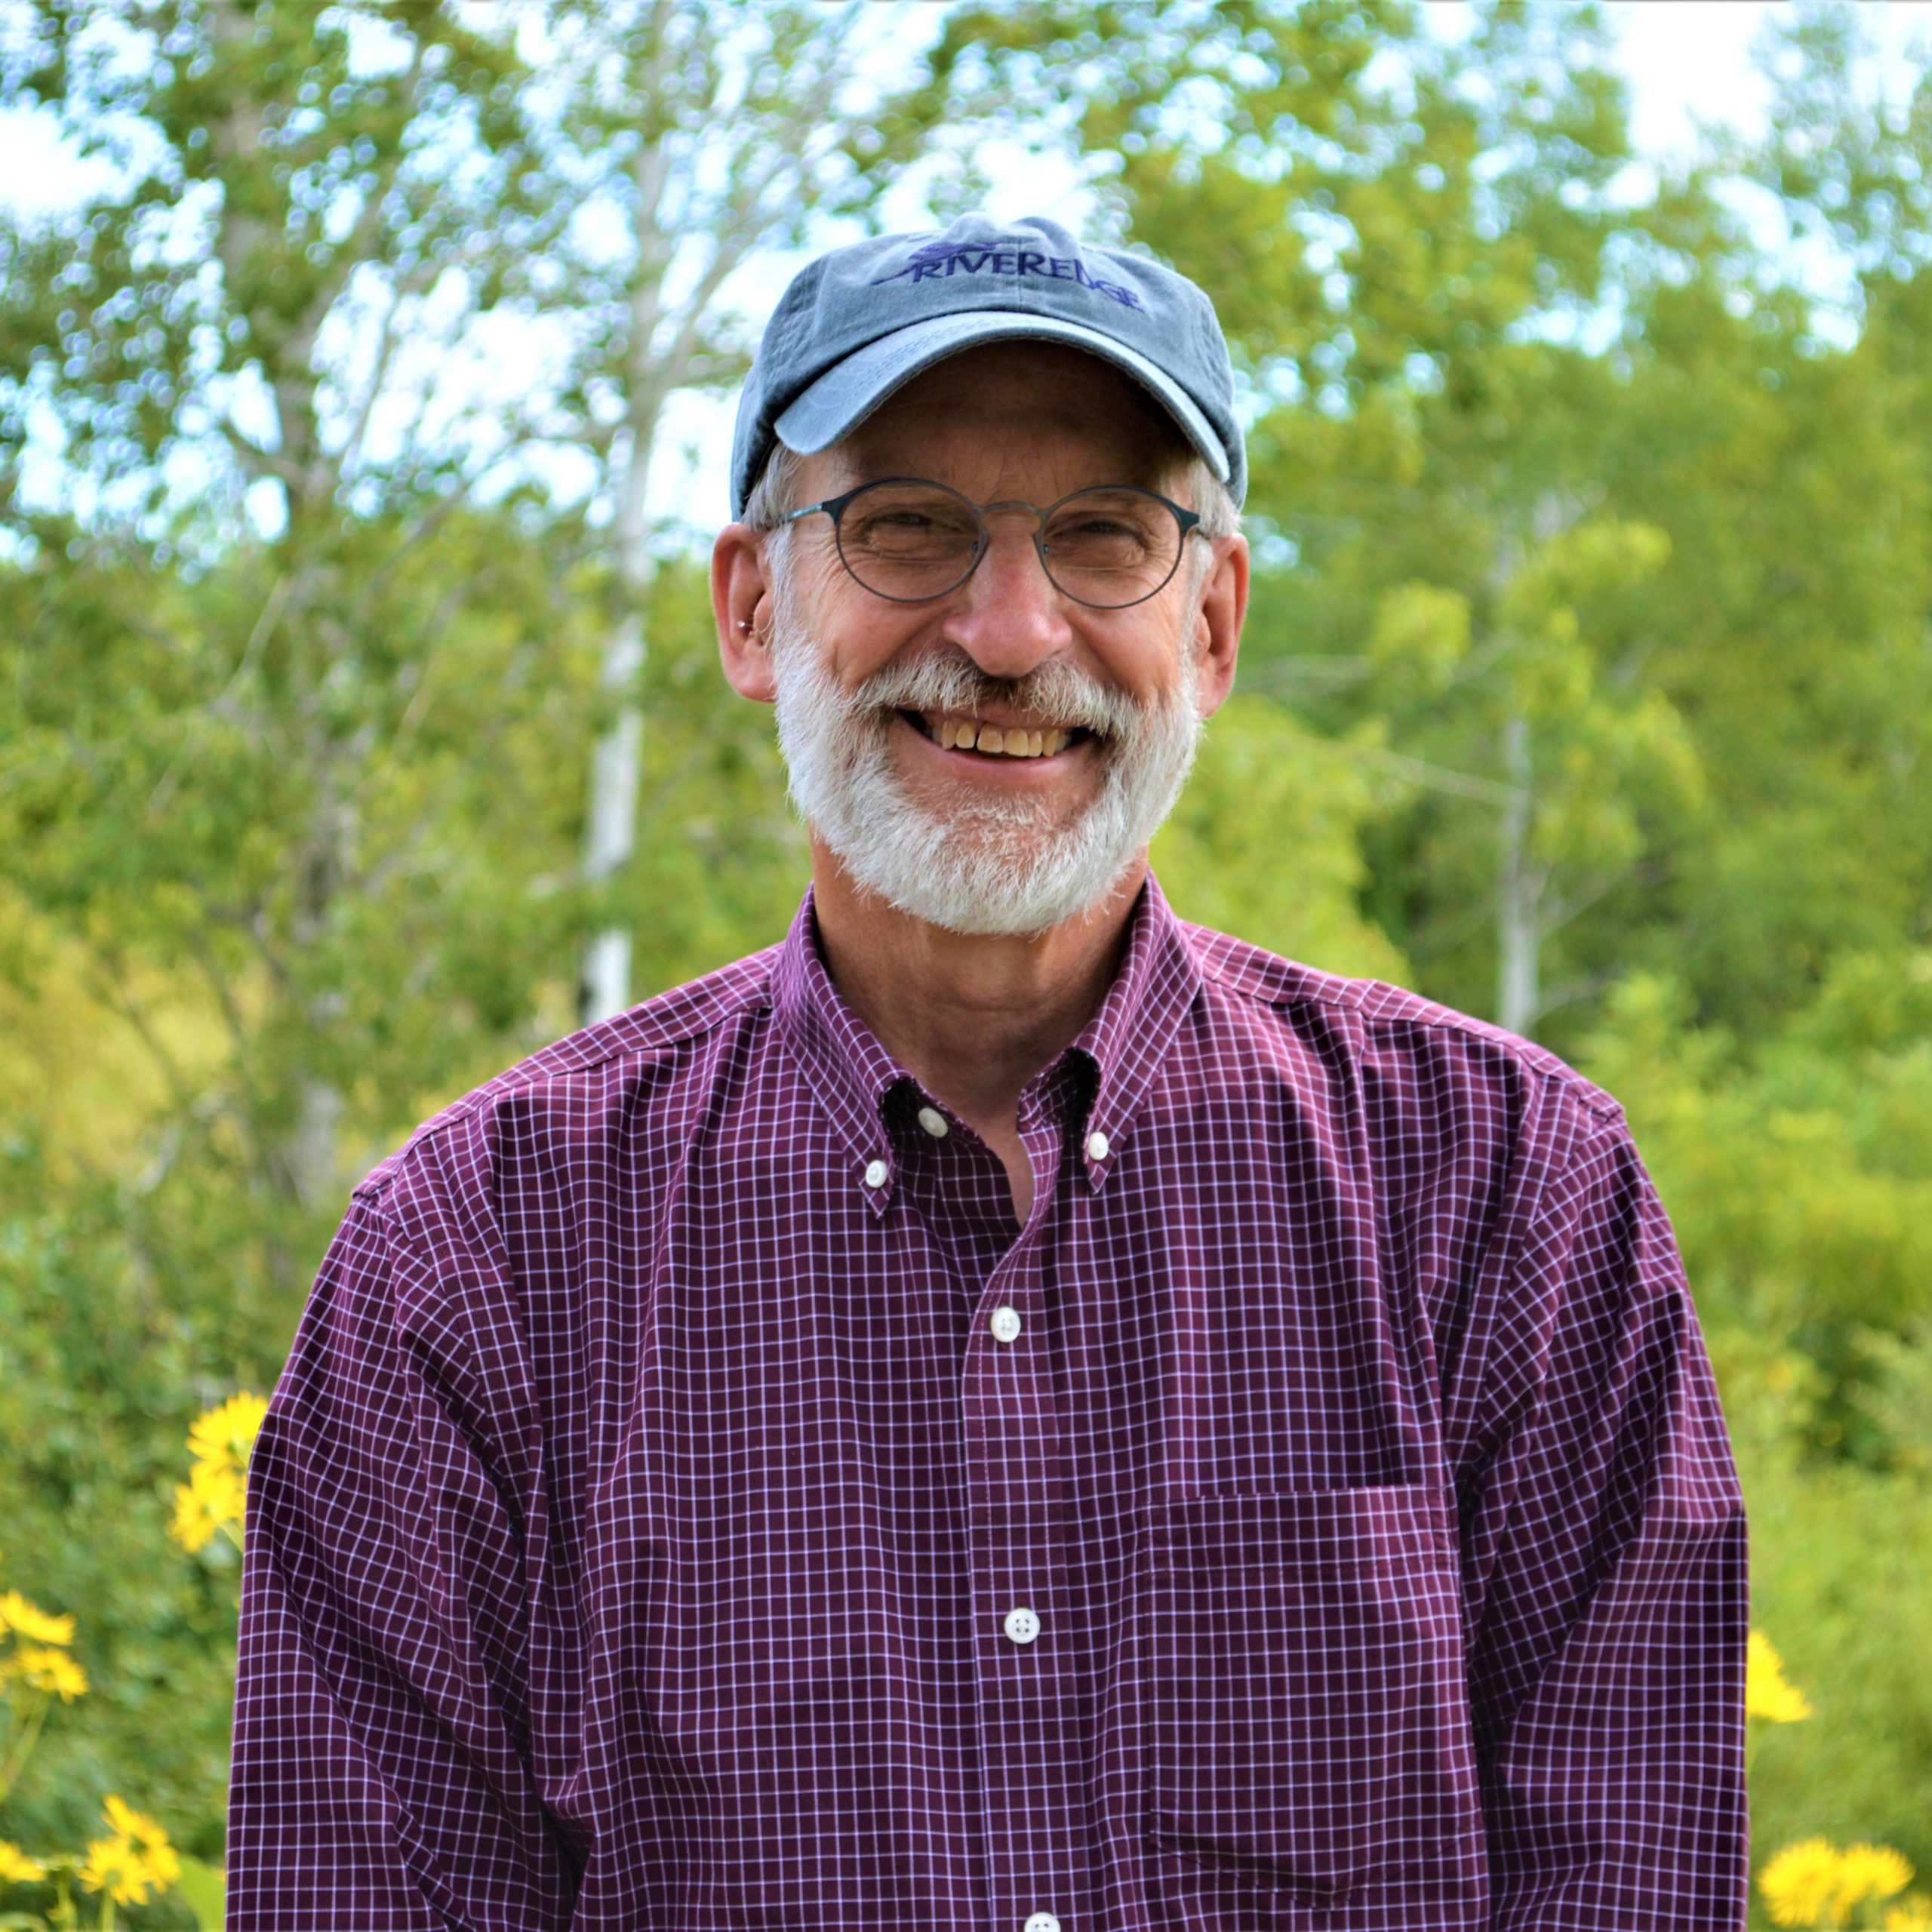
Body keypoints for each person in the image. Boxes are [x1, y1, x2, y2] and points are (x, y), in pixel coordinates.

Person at [227, 213, 1748, 1931]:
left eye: (1103, 537)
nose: (1013, 631)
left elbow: (1632, 1881)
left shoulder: (1503, 1195)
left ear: (1217, 623)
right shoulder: (477, 1260)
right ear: (749, 606)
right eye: (905, 529)